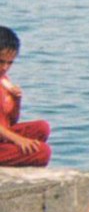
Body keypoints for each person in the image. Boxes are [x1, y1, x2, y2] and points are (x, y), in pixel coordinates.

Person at [0, 26, 51, 167]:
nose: (4, 67)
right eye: (1, 62)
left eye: (9, 63)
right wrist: (18, 140)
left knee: (42, 128)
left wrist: (16, 101)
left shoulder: (3, 79)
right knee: (42, 152)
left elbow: (11, 121)